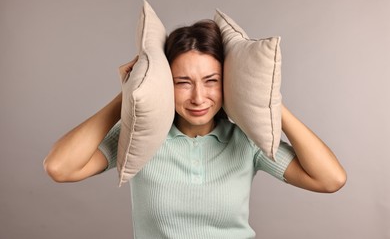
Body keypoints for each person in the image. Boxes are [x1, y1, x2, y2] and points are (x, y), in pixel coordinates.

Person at [43, 20, 346, 238]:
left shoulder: (244, 139)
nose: (199, 98)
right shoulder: (139, 137)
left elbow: (330, 179)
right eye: (182, 83)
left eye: (212, 81)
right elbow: (59, 167)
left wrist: (266, 98)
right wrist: (129, 93)